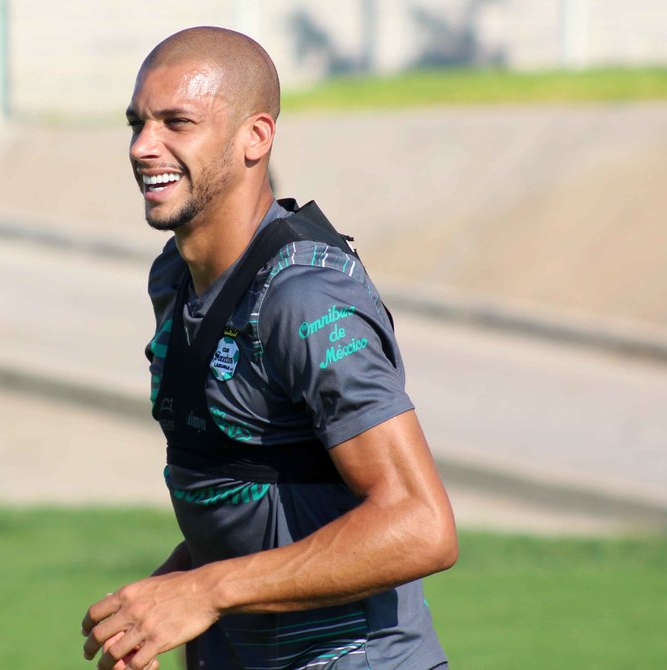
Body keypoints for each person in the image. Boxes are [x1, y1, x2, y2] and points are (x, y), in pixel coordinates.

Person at [81, 26, 458, 670]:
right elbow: (257, 485)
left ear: (255, 137)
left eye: (177, 122)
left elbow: (422, 526)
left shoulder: (304, 297)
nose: (143, 146)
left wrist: (205, 591)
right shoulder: (174, 277)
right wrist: (168, 597)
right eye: (137, 123)